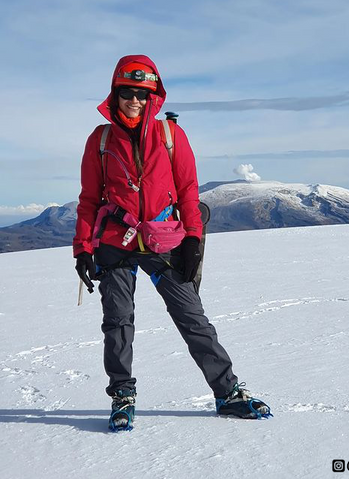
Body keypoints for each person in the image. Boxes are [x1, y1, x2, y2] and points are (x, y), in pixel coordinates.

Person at [73, 54, 271, 430]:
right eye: (128, 92)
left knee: (192, 318)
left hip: (164, 240)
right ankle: (122, 395)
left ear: (154, 97)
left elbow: (187, 191)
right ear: (114, 95)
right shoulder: (99, 140)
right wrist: (83, 248)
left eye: (143, 94)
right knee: (117, 321)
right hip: (116, 242)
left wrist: (193, 238)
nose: (135, 100)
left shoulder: (171, 135)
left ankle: (226, 392)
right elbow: (88, 199)